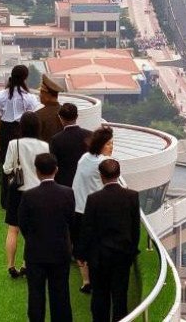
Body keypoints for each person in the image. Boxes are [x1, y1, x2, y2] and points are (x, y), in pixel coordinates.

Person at [77, 159, 141, 322]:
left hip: (99, 258)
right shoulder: (132, 196)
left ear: (101, 176)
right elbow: (135, 228)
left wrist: (81, 254)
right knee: (120, 297)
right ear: (119, 174)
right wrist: (132, 251)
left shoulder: (94, 199)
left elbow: (87, 228)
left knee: (100, 297)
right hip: (122, 256)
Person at [18, 153, 75, 322]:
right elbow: (71, 220)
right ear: (56, 170)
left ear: (36, 171)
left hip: (35, 253)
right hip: (60, 252)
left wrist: (33, 239)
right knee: (61, 294)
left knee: (35, 295)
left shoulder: (29, 196)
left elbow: (23, 223)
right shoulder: (68, 193)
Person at [2, 111, 48, 279]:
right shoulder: (44, 146)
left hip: (17, 190)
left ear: (21, 126)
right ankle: (26, 265)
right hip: (37, 192)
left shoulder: (14, 144)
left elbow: (6, 168)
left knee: (13, 229)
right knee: (32, 231)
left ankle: (10, 265)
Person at [71, 125, 115, 294]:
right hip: (94, 211)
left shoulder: (84, 158)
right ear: (100, 145)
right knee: (97, 247)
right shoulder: (104, 163)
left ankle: (86, 281)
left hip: (78, 208)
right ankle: (97, 281)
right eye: (108, 144)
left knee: (81, 247)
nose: (111, 147)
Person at [0, 64, 40, 164]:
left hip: (5, 130)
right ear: (25, 78)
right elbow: (32, 116)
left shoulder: (0, 95)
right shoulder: (29, 98)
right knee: (21, 161)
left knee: (6, 160)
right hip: (22, 130)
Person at [49, 103, 91, 188]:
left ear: (60, 118)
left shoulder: (56, 139)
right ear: (77, 116)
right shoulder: (90, 135)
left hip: (64, 184)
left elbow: (53, 164)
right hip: (85, 183)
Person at [35, 75, 66, 143]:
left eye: (41, 92)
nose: (39, 95)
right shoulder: (66, 111)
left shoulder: (38, 115)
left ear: (47, 95)